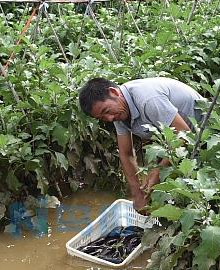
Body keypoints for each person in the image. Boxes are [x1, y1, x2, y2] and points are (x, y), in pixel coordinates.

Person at [78, 76, 205, 211]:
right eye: (102, 118)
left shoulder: (147, 100)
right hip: (180, 141)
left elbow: (184, 134)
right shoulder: (119, 110)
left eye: (106, 111)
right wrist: (137, 193)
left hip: (205, 135)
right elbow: (126, 154)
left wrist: (158, 171)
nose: (109, 118)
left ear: (114, 92)